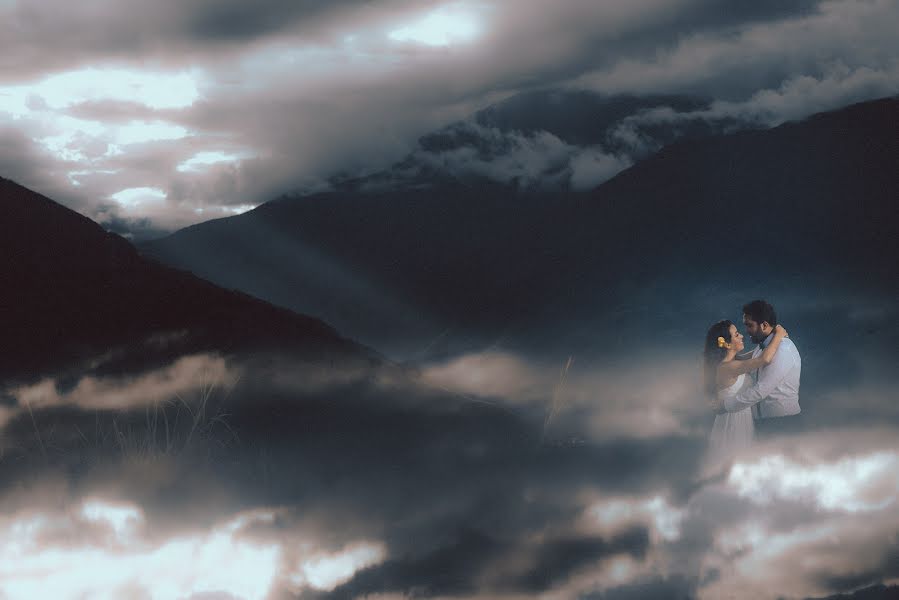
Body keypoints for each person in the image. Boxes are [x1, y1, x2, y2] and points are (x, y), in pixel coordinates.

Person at [704, 319, 788, 466]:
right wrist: (779, 334)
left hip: (738, 418)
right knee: (733, 461)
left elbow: (757, 354)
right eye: (736, 335)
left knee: (739, 463)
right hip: (733, 423)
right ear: (727, 343)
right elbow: (764, 359)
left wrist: (773, 338)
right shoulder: (728, 368)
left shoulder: (733, 362)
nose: (742, 336)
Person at [718, 300, 802, 438]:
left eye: (749, 325)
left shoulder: (783, 349)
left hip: (783, 424)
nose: (746, 331)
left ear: (764, 325)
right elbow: (741, 360)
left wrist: (725, 406)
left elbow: (761, 390)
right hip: (765, 424)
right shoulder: (762, 348)